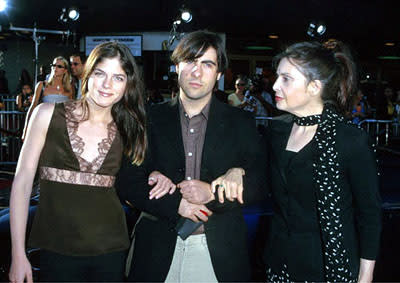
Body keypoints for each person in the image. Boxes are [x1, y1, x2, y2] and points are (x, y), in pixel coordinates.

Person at [116, 30, 266, 282]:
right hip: (156, 247)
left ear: (218, 74)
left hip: (217, 253)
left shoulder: (241, 122)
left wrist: (212, 192)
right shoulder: (149, 118)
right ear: (177, 67)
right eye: (190, 62)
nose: (197, 72)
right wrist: (177, 205)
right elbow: (128, 182)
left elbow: (260, 184)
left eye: (207, 64)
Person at [8, 41, 147, 282]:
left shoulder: (129, 128)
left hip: (111, 250)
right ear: (87, 74)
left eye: (118, 78)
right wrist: (17, 253)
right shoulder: (46, 115)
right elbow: (21, 183)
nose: (107, 85)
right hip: (57, 249)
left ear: (128, 85)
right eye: (100, 73)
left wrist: (158, 176)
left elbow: (138, 177)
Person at [263, 41, 381, 282]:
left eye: (286, 78)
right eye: (277, 77)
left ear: (314, 87)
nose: (274, 85)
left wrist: (366, 274)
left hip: (328, 269)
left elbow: (369, 215)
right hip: (279, 264)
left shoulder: (349, 140)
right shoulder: (276, 132)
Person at [22, 56, 75, 140]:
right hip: (44, 127)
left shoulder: (69, 88)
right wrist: (25, 130)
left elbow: (72, 111)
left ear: (65, 70)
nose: (55, 68)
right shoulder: (42, 85)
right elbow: (32, 107)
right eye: (53, 65)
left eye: (59, 66)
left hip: (63, 129)